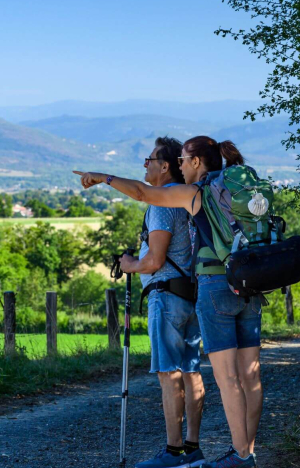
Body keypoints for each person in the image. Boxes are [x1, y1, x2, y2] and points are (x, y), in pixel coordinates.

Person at [74, 136, 262, 468]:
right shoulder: (231, 189)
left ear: (192, 163)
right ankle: (238, 451)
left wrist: (103, 178)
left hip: (199, 289)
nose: (177, 165)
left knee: (206, 376)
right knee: (240, 375)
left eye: (180, 160)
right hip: (241, 283)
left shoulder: (185, 197)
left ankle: (215, 455)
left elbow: (149, 221)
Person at [120, 137, 206, 468]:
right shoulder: (186, 202)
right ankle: (192, 447)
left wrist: (130, 265)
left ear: (165, 165)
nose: (145, 165)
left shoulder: (161, 204)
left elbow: (154, 260)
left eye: (150, 159)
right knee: (190, 369)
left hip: (165, 296)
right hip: (189, 295)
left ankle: (172, 453)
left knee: (169, 373)